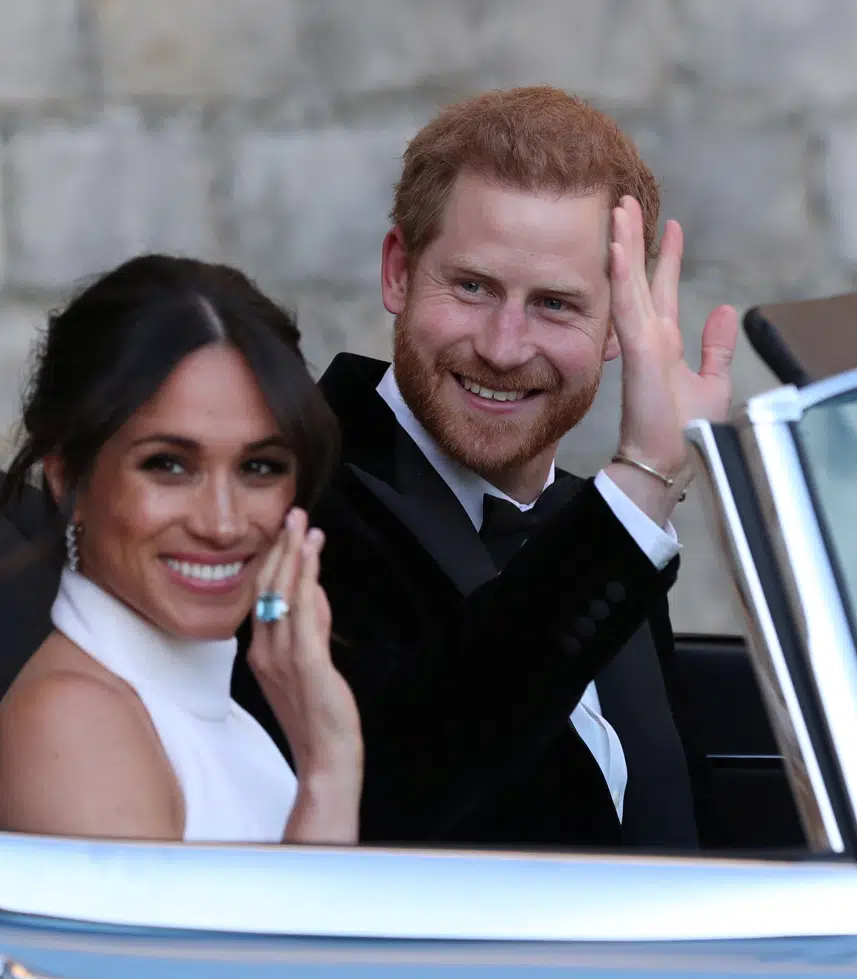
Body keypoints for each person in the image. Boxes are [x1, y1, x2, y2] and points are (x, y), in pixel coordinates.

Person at [232, 86, 739, 848]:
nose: (504, 346)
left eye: (556, 305)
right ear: (399, 272)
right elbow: (403, 789)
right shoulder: (287, 494)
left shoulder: (595, 525)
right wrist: (641, 484)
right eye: (472, 287)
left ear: (617, 327)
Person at [0, 255, 363, 844]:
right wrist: (329, 774)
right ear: (66, 475)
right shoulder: (73, 727)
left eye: (259, 467)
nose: (223, 524)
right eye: (169, 465)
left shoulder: (217, 718)